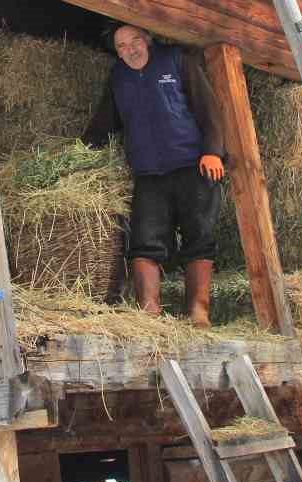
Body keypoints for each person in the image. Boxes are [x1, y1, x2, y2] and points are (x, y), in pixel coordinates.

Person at [82, 24, 226, 326]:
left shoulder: (176, 60)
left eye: (134, 41)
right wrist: (79, 152)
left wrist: (213, 151)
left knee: (199, 236)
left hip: (193, 166)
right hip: (149, 173)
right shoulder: (118, 77)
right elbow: (105, 119)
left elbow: (208, 107)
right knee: (145, 241)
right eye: (121, 46)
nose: (129, 50)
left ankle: (198, 312)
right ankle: (149, 312)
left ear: (147, 39)